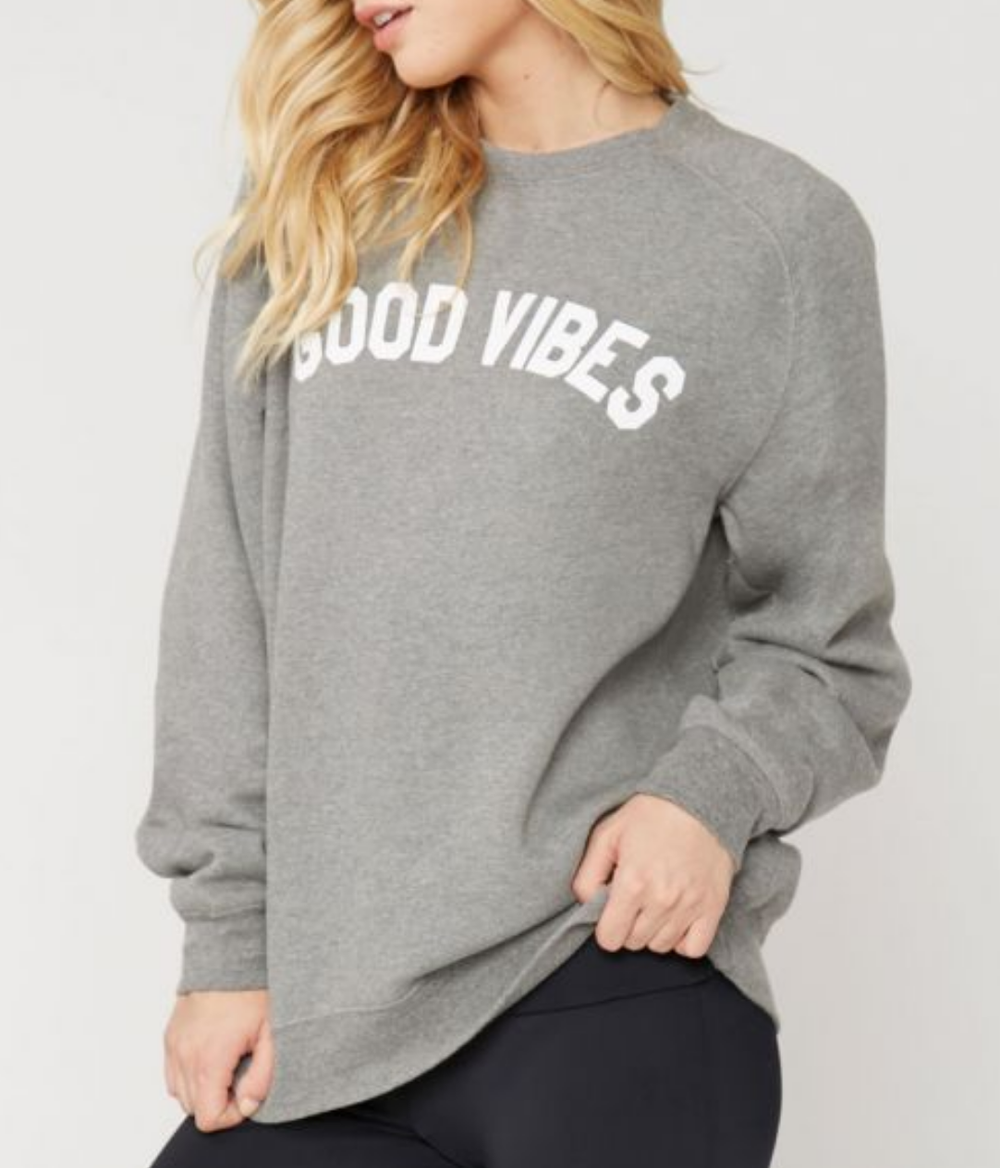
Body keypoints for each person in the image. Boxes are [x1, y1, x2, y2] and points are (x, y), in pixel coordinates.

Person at [134, 1, 913, 1165]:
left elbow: (832, 644)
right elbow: (226, 602)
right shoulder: (317, 213)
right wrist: (227, 942)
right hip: (324, 1017)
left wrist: (707, 794)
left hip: (603, 976)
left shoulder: (768, 234)